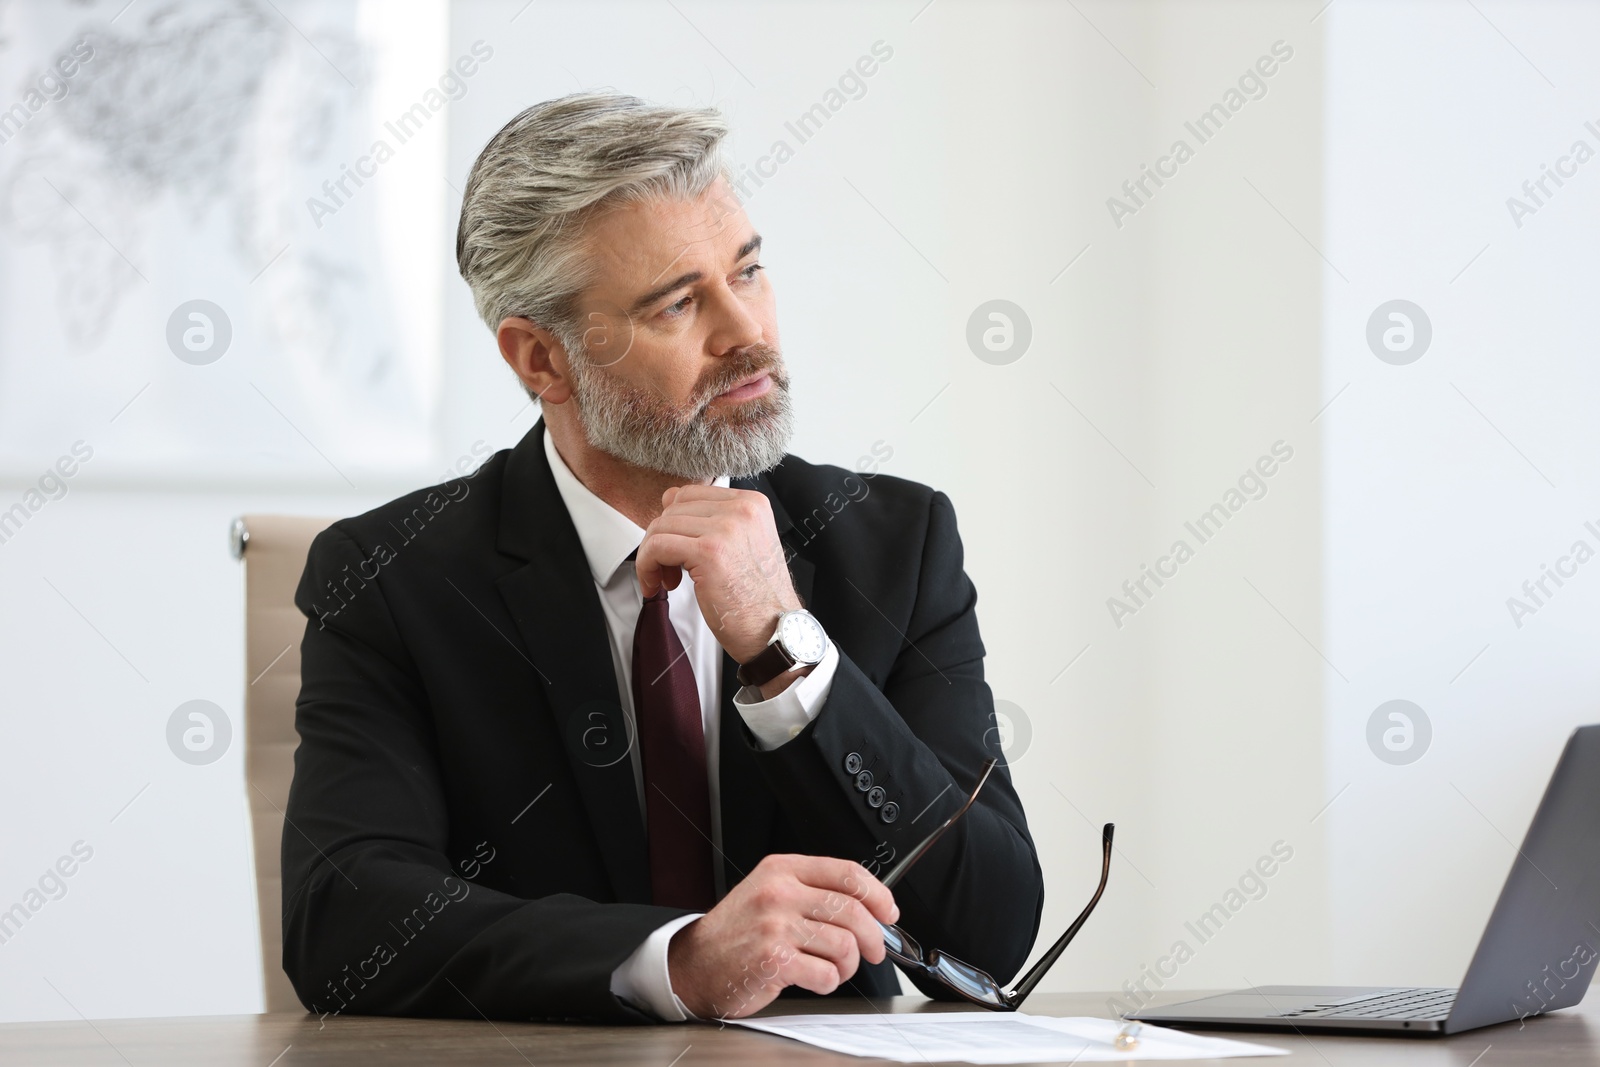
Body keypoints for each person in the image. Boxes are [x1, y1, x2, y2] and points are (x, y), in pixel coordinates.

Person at [281, 90, 1042, 1024]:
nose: (746, 332)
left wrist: (784, 646)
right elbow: (343, 922)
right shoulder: (389, 577)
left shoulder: (894, 542)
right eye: (680, 302)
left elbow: (994, 927)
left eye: (749, 271)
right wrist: (674, 960)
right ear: (541, 360)